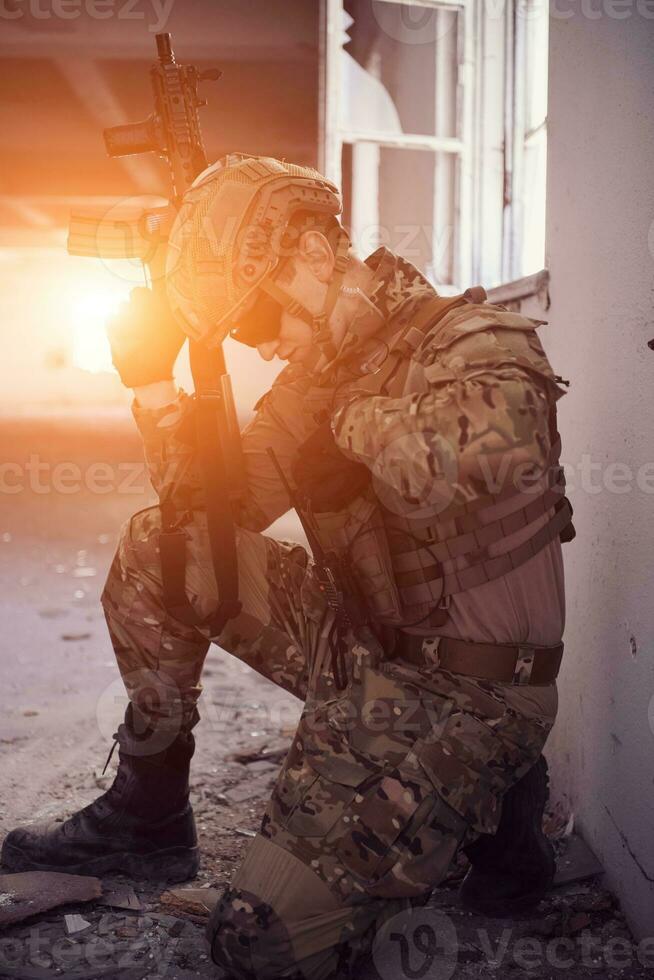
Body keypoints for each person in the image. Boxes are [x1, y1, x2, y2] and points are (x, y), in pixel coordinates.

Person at [2, 155, 573, 979]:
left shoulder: (472, 337)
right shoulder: (316, 380)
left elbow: (479, 454)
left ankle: (499, 800)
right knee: (164, 547)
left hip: (474, 691)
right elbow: (209, 517)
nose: (256, 340)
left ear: (311, 256)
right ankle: (150, 811)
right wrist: (158, 386)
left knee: (256, 941)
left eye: (259, 312)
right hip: (367, 655)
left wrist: (353, 423)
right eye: (239, 329)